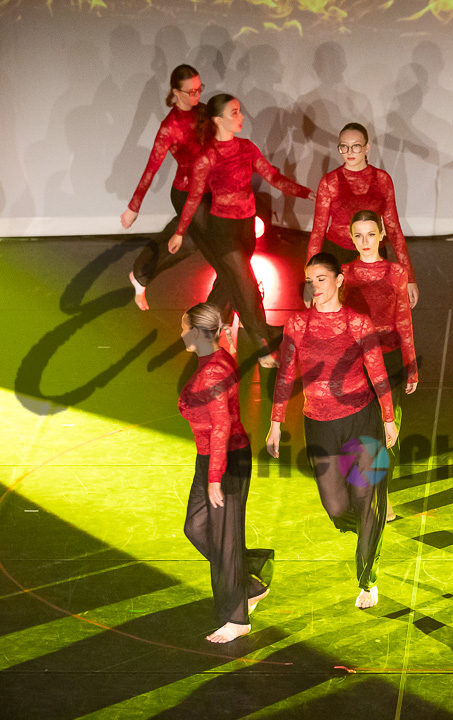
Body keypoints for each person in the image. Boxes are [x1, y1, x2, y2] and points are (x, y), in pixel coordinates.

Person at [267, 254, 397, 609]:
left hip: (361, 419)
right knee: (337, 507)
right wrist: (275, 422)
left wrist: (388, 419)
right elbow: (286, 374)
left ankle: (367, 579)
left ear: (339, 280)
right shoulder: (297, 324)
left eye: (321, 279)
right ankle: (370, 529)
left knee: (365, 501)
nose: (315, 286)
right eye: (310, 280)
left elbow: (378, 373)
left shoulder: (358, 322)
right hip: (319, 424)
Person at [169, 93, 313, 367]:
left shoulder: (246, 148)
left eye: (239, 111)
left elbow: (273, 176)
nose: (241, 116)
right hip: (222, 230)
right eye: (234, 112)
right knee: (246, 286)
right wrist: (179, 232)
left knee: (231, 284)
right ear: (217, 119)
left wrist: (306, 193)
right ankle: (266, 340)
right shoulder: (207, 157)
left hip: (246, 227)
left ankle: (202, 330)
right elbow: (194, 197)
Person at [178, 303, 274, 643]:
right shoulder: (213, 359)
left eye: (183, 327)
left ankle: (237, 619)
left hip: (226, 460)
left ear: (196, 332)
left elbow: (221, 425)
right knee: (196, 527)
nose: (180, 333)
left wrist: (215, 476)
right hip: (209, 457)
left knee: (224, 537)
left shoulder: (214, 371)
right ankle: (250, 581)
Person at [343, 210, 419, 521]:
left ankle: (383, 495)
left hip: (388, 358)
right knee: (358, 428)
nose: (365, 241)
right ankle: (360, 491)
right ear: (351, 238)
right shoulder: (344, 273)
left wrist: (411, 364)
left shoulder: (396, 272)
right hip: (354, 361)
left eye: (371, 234)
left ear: (382, 236)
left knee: (389, 426)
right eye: (359, 235)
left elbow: (404, 319)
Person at [120, 64, 210, 311]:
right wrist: (134, 207)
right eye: (191, 91)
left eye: (199, 89)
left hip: (209, 190)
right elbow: (151, 167)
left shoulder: (204, 112)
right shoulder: (170, 127)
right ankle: (141, 274)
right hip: (185, 192)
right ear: (176, 92)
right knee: (198, 242)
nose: (197, 95)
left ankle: (140, 274)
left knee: (189, 242)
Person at [307, 122, 419, 307]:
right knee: (340, 316)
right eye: (344, 147)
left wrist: (409, 277)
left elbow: (393, 230)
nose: (349, 152)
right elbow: (318, 232)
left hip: (373, 257)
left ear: (367, 147)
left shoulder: (382, 180)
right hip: (338, 256)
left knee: (374, 313)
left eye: (356, 146)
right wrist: (310, 279)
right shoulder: (330, 182)